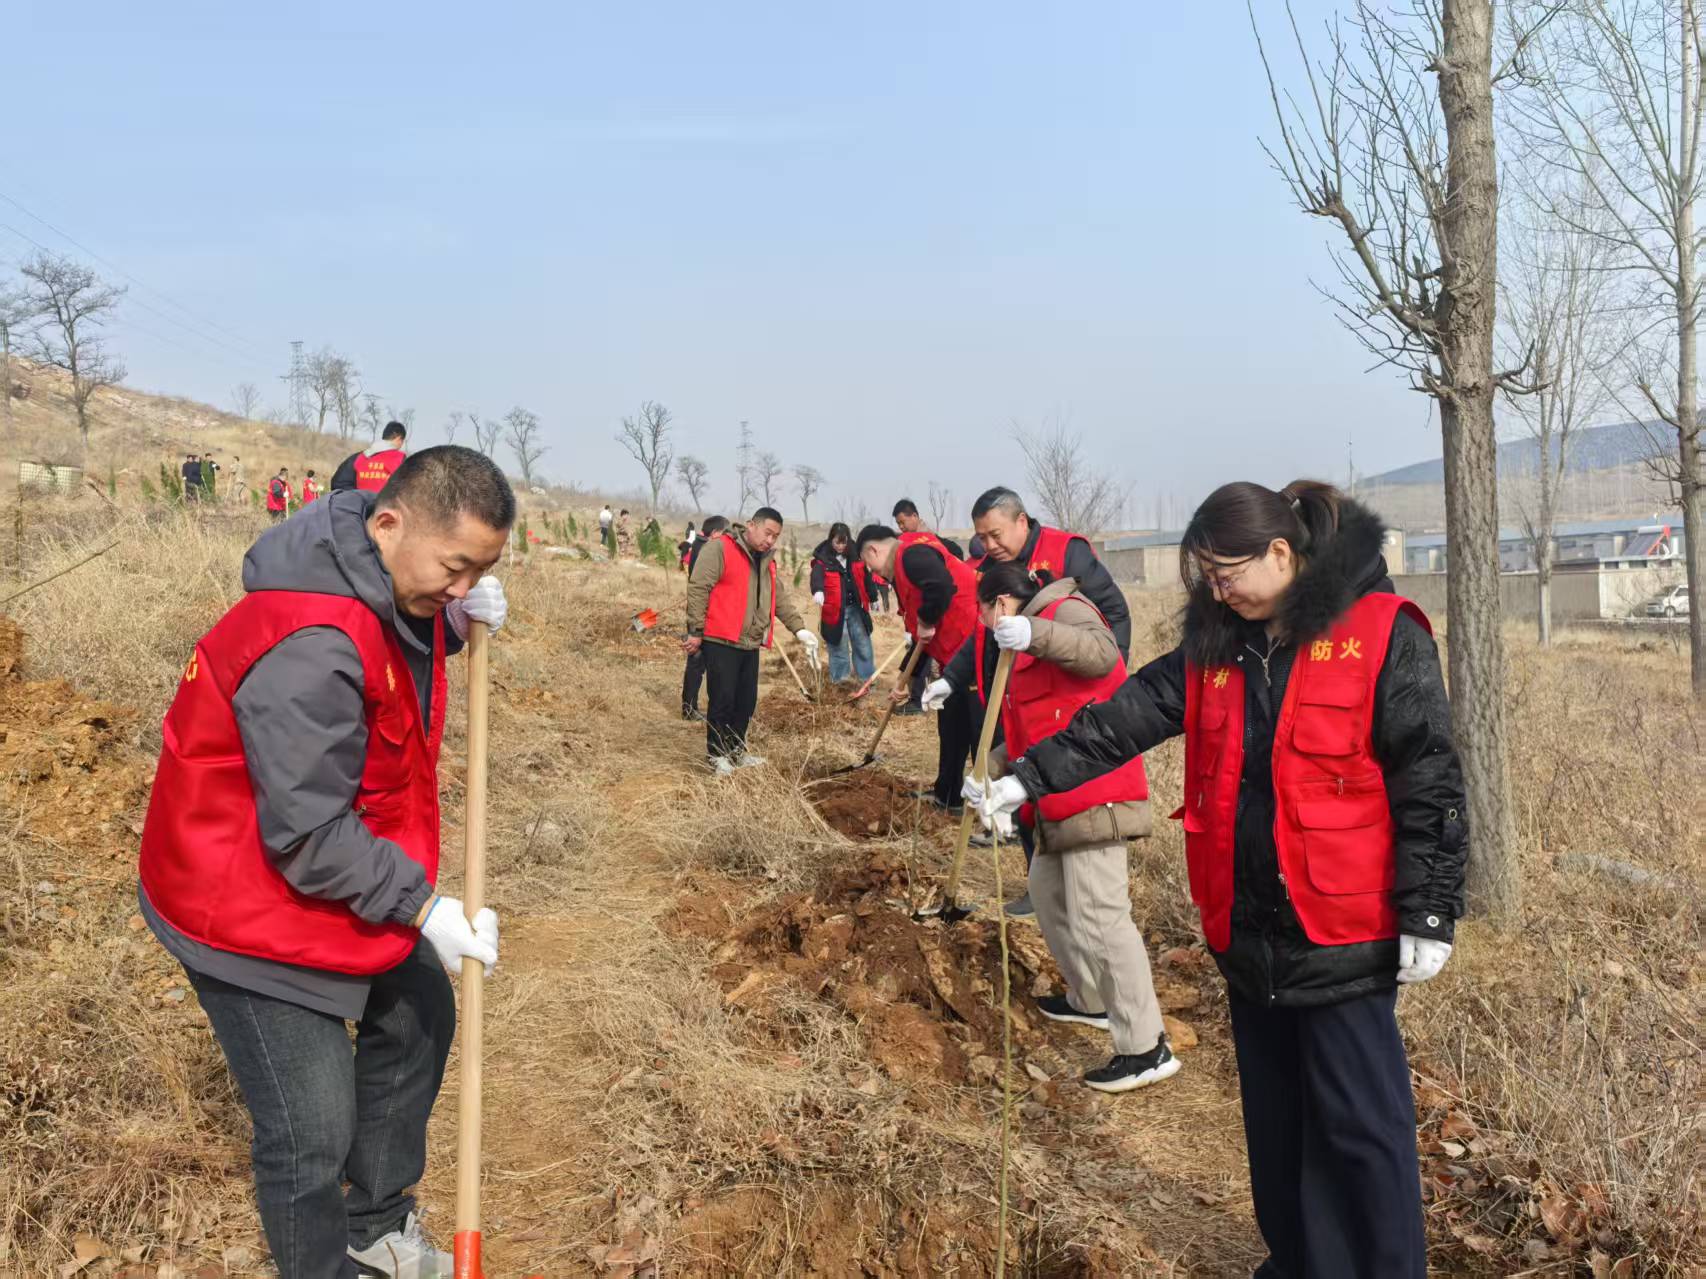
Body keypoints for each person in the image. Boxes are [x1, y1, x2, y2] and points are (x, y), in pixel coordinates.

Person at [975, 480, 1466, 1279]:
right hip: (1248, 928)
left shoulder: (1380, 633)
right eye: (1205, 575)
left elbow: (1430, 774)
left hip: (1344, 929)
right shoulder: (1217, 646)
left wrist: (1431, 908)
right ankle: (1300, 1262)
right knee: (1277, 1127)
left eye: (1226, 572)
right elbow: (1125, 716)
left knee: (1359, 1130)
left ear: (1280, 552)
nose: (1217, 589)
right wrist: (1028, 776)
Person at [137, 445, 515, 1277]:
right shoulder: (311, 639)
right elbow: (308, 831)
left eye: (480, 572)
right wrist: (423, 907)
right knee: (311, 1125)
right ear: (390, 523)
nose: (463, 587)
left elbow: (385, 652)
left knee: (419, 1010)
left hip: (304, 861)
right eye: (455, 567)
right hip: (234, 895)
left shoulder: (375, 570)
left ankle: (373, 1224)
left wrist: (446, 626)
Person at [958, 561, 1173, 1092]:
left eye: (983, 613)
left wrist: (1035, 632)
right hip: (1053, 797)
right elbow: (1031, 734)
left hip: (1095, 791)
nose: (984, 625)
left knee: (1101, 915)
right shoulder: (1018, 653)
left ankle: (1146, 1047)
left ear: (999, 603)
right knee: (1048, 894)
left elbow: (1102, 655)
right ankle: (1091, 998)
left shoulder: (1065, 610)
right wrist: (987, 773)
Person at [684, 507, 819, 775]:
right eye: (767, 533)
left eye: (775, 536)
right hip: (721, 637)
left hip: (750, 641)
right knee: (722, 699)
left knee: (746, 701)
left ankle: (736, 750)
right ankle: (716, 755)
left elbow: (779, 598)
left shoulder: (766, 561)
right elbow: (699, 588)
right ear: (751, 525)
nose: (770, 540)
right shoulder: (720, 549)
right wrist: (696, 630)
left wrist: (799, 629)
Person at [856, 523, 978, 811]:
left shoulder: (912, 554)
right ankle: (948, 795)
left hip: (974, 653)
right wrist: (907, 682)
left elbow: (941, 586)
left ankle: (995, 817)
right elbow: (921, 638)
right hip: (951, 659)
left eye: (868, 563)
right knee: (950, 728)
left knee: (979, 732)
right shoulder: (903, 569)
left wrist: (926, 619)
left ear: (873, 550)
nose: (872, 572)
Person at [971, 486, 1130, 657]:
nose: (990, 546)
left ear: (1022, 522)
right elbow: (981, 632)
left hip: (1066, 665)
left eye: (996, 535)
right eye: (982, 538)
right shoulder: (987, 568)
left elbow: (1114, 612)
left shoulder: (1066, 552)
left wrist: (1113, 665)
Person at [810, 522, 876, 686]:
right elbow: (817, 576)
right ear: (831, 540)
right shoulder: (823, 559)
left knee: (863, 645)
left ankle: (866, 679)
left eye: (843, 542)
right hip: (835, 611)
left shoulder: (856, 555)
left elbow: (866, 577)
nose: (840, 546)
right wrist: (818, 590)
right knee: (838, 647)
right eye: (837, 542)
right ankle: (841, 682)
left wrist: (873, 597)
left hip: (856, 609)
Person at [681, 514, 729, 719]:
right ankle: (689, 709)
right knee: (697, 662)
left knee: (697, 663)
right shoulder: (707, 548)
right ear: (716, 533)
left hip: (702, 612)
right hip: (703, 614)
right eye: (725, 534)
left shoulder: (700, 545)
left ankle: (690, 707)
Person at [331, 421, 408, 493]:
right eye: (402, 441)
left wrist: (357, 496)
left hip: (359, 502)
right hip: (386, 502)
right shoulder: (400, 458)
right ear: (399, 438)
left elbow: (338, 483)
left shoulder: (358, 457)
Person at [892, 497, 964, 559]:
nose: (901, 526)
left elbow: (957, 553)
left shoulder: (933, 538)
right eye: (898, 523)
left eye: (902, 522)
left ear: (914, 516)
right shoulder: (901, 542)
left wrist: (930, 536)